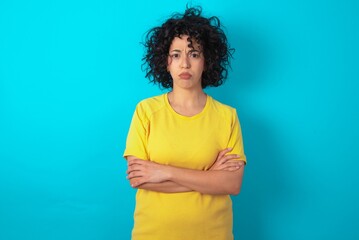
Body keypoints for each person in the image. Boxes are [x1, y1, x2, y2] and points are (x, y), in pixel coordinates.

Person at [123, 6, 246, 240]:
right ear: (165, 62)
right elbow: (139, 179)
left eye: (195, 54)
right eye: (176, 55)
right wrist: (210, 177)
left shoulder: (227, 116)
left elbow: (232, 184)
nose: (185, 64)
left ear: (207, 61)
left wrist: (163, 171)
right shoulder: (146, 111)